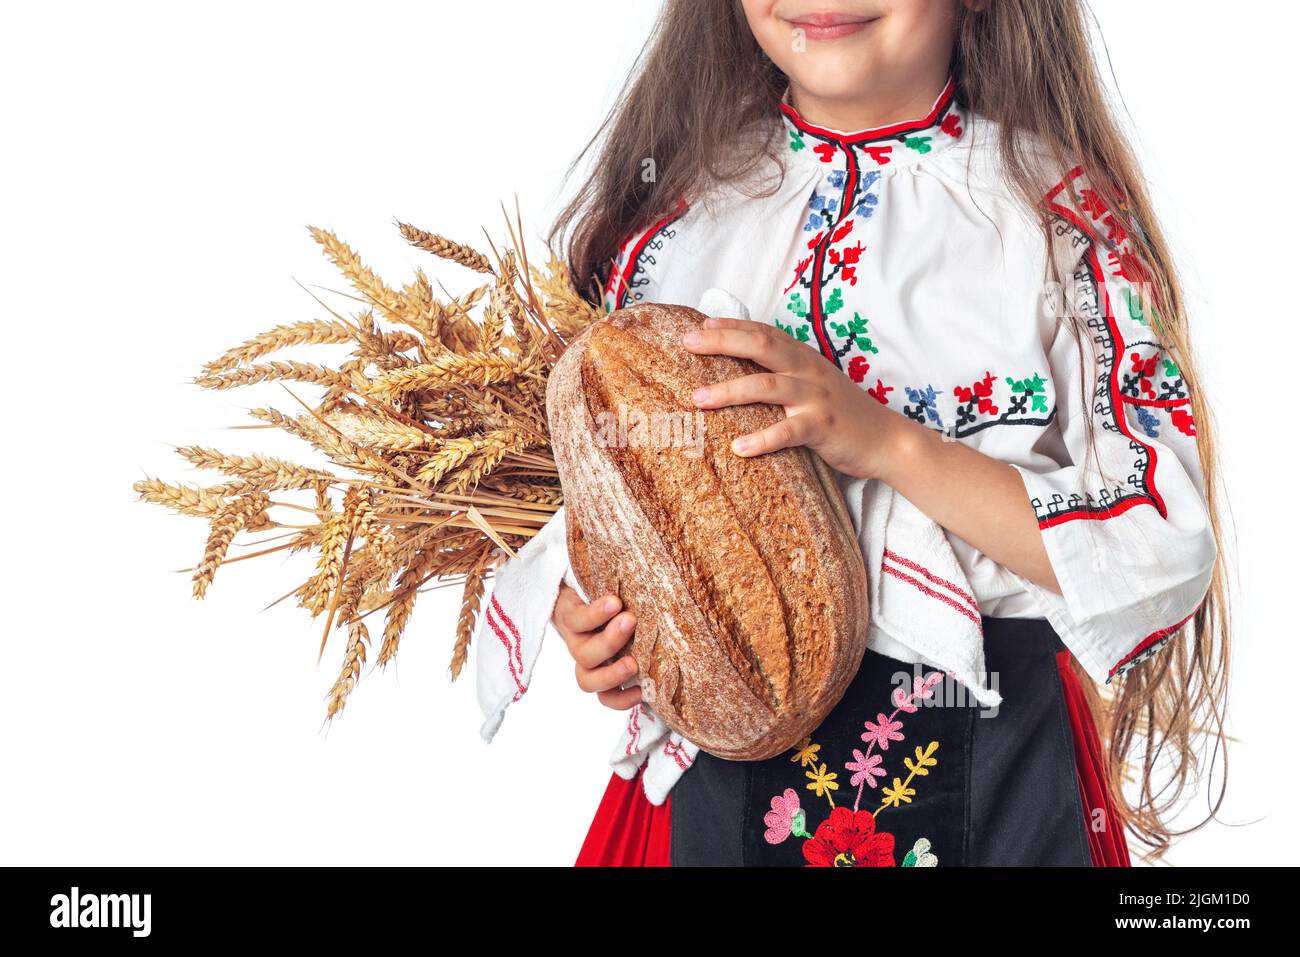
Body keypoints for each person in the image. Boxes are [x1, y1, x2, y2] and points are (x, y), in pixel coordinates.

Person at [500, 0, 1228, 866]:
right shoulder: (668, 227)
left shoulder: (1060, 217)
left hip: (992, 776)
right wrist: (595, 616)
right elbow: (603, 491)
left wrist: (889, 443)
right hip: (711, 797)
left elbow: (1163, 541)